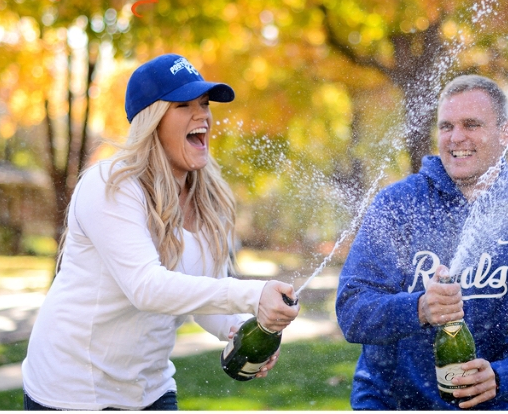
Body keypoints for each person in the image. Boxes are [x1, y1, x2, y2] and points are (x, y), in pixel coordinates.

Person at [22, 54, 300, 410]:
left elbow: (202, 297)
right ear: (152, 121)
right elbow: (146, 287)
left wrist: (250, 326)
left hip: (149, 388)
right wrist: (252, 294)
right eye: (184, 105)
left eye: (204, 104)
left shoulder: (207, 199)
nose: (203, 115)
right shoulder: (111, 185)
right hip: (72, 389)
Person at [336, 75, 508, 410]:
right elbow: (351, 311)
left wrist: (502, 377)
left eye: (472, 124)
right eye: (446, 126)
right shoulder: (396, 206)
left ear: (506, 133)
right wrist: (418, 308)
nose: (456, 137)